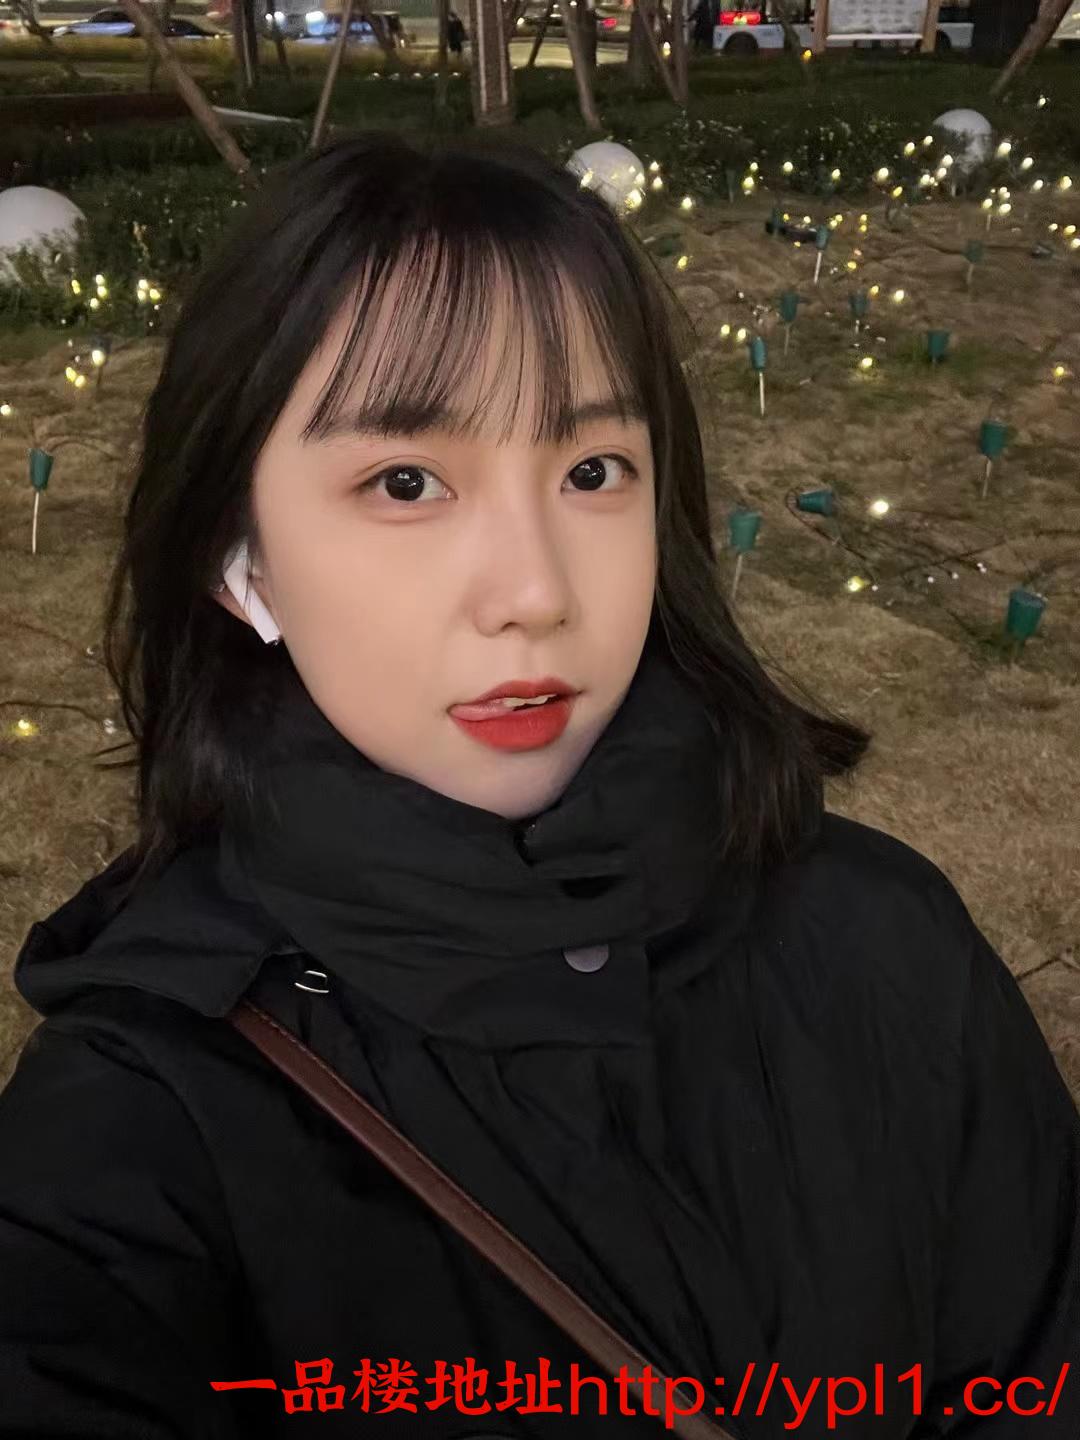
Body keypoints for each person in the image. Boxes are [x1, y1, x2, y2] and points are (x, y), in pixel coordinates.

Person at [0, 130, 1077, 1439]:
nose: (535, 592)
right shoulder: (141, 1117)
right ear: (242, 560)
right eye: (406, 481)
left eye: (591, 471)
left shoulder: (887, 941)